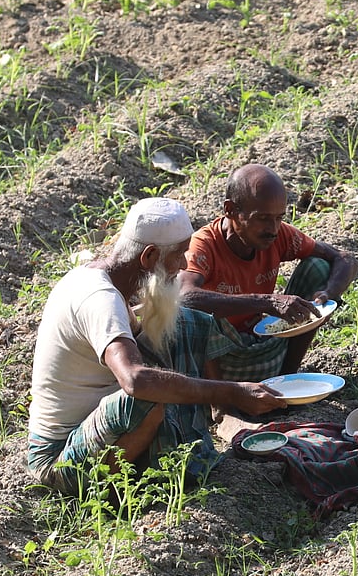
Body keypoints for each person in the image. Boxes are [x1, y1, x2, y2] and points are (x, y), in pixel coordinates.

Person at [26, 197, 285, 496]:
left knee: (187, 320)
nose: (184, 265)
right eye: (177, 255)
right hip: (60, 460)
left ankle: (209, 426)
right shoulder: (100, 299)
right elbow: (135, 380)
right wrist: (230, 390)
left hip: (95, 432)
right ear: (149, 257)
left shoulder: (101, 277)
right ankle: (119, 488)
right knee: (143, 396)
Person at [179, 164, 358, 382]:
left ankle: (287, 378)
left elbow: (344, 258)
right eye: (262, 218)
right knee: (194, 315)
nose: (273, 229)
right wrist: (266, 302)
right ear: (231, 210)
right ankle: (219, 404)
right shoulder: (204, 245)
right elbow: (183, 296)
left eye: (279, 218)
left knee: (319, 267)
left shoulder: (278, 235)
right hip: (221, 358)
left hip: (262, 346)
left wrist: (327, 294)